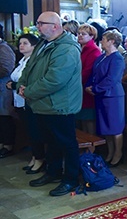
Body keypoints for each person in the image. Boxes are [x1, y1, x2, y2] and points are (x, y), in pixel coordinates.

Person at [18, 12, 82, 197]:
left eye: (41, 23)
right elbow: (29, 67)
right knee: (51, 141)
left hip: (60, 105)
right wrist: (21, 84)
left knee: (66, 143)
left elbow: (55, 80)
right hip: (43, 103)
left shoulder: (67, 48)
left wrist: (28, 91)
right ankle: (53, 172)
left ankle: (70, 179)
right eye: (37, 23)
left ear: (55, 26)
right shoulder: (44, 44)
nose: (37, 26)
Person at [86, 30, 125, 167]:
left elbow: (112, 79)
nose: (101, 41)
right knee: (105, 127)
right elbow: (94, 74)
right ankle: (110, 152)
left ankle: (118, 153)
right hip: (101, 95)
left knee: (115, 127)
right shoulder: (102, 57)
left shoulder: (117, 58)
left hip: (113, 96)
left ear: (112, 41)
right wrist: (89, 85)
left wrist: (95, 89)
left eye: (103, 39)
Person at [7, 33, 45, 171]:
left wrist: (14, 85)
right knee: (28, 131)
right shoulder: (22, 60)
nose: (21, 46)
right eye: (20, 43)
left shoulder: (33, 62)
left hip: (28, 101)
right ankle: (34, 157)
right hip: (18, 101)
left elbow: (30, 82)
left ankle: (40, 158)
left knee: (35, 131)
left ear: (34, 46)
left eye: (25, 43)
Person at [76, 24, 102, 134]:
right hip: (79, 88)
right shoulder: (80, 48)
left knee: (88, 120)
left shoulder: (93, 50)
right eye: (79, 33)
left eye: (83, 34)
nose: (80, 36)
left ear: (92, 36)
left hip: (87, 87)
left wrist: (74, 81)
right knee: (82, 120)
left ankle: (91, 148)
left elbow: (88, 71)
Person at [0, 27, 17, 158]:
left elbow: (6, 69)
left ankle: (8, 145)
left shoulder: (4, 48)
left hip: (4, 88)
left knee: (5, 117)